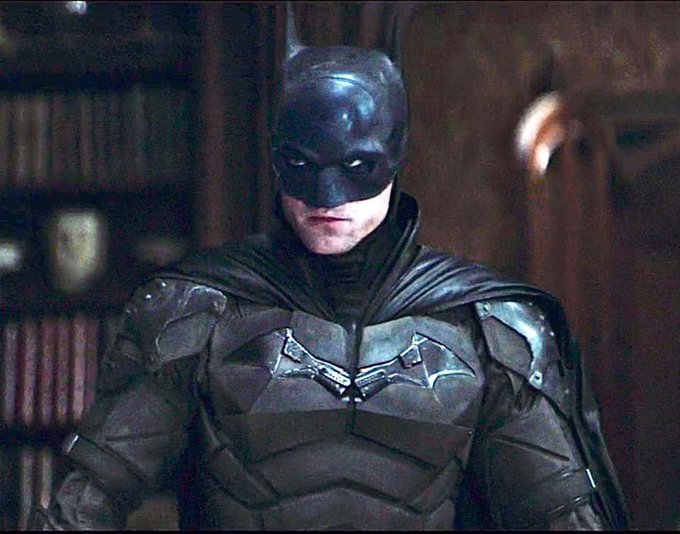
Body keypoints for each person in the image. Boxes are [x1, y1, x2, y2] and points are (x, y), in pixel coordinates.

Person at [32, 8, 630, 531]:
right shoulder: (195, 314)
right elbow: (84, 508)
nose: (328, 197)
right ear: (276, 158)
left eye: (356, 168)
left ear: (395, 157)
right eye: (302, 165)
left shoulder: (490, 329)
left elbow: (563, 519)